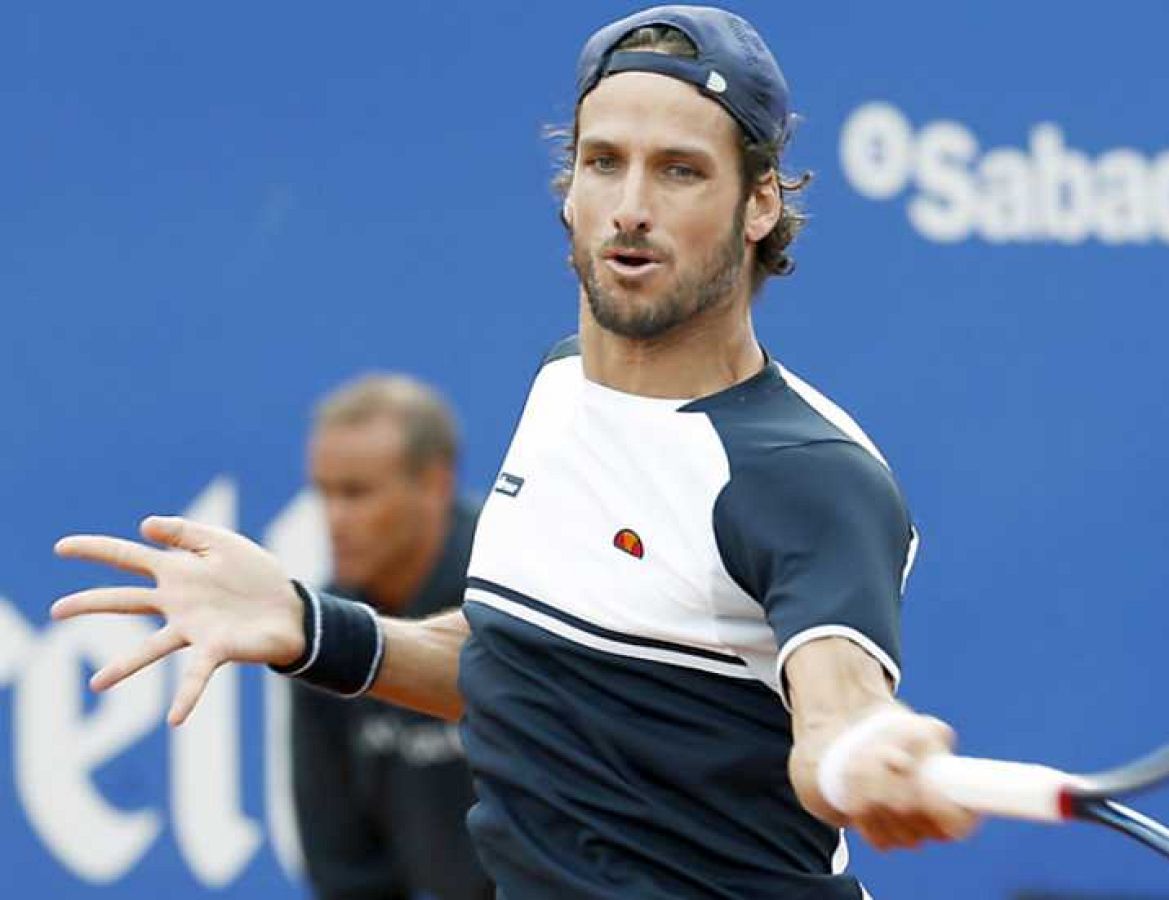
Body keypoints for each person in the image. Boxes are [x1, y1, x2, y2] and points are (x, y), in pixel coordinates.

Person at [53, 6, 979, 898]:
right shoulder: (563, 388)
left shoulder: (808, 473)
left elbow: (835, 712)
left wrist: (863, 752)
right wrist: (312, 626)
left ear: (760, 202)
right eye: (604, 162)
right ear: (567, 188)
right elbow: (525, 666)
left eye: (680, 172)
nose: (630, 208)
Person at [294, 374, 493, 900]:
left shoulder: (518, 592)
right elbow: (343, 865)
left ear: (434, 482)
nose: (334, 519)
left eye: (356, 493)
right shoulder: (323, 629)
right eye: (324, 493)